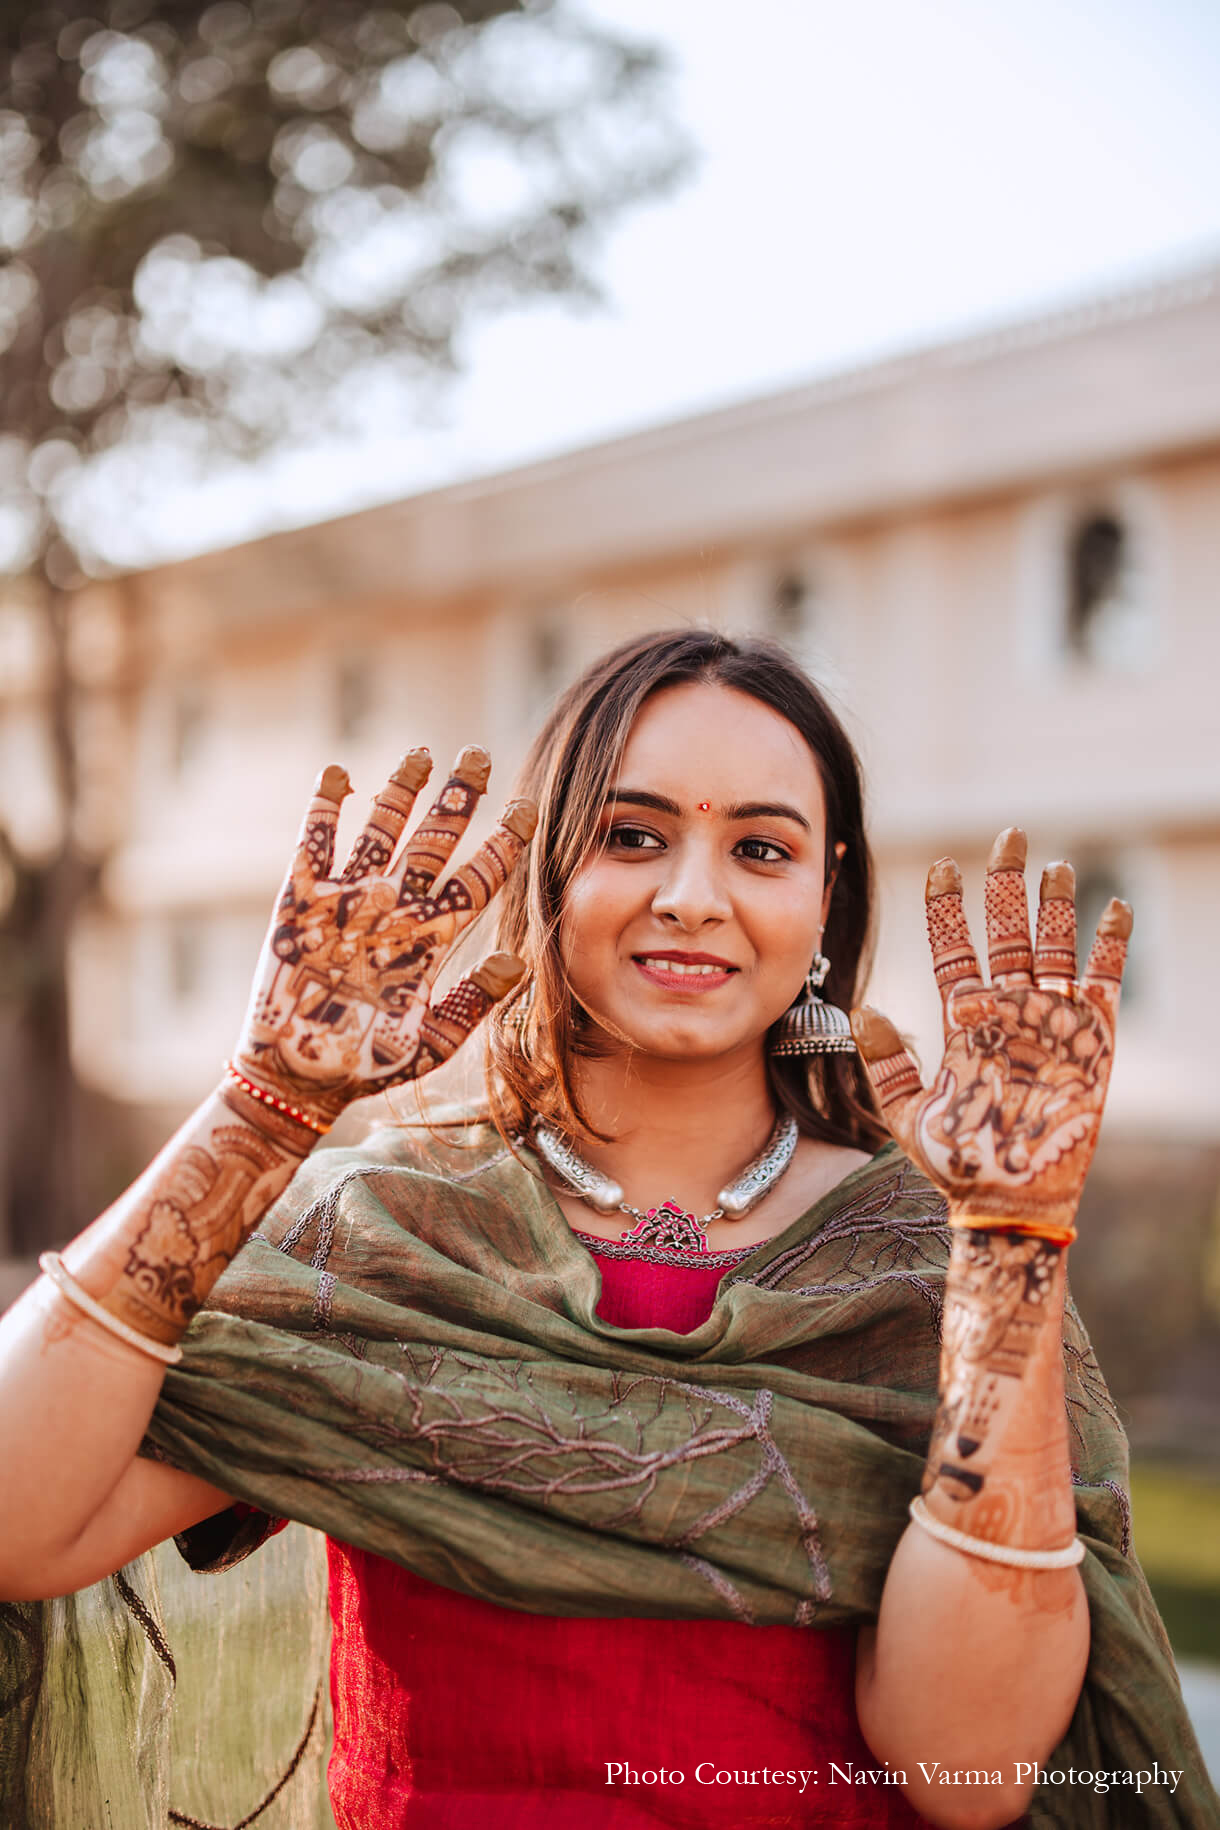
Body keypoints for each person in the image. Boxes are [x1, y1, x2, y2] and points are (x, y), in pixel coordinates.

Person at [0, 628, 1213, 1830]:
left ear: (824, 897)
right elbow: (19, 1525)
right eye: (632, 838)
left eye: (758, 848)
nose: (691, 898)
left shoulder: (928, 1269)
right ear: (549, 880)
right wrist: (266, 1102)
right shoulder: (382, 1235)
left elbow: (969, 1765)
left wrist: (1005, 1238)